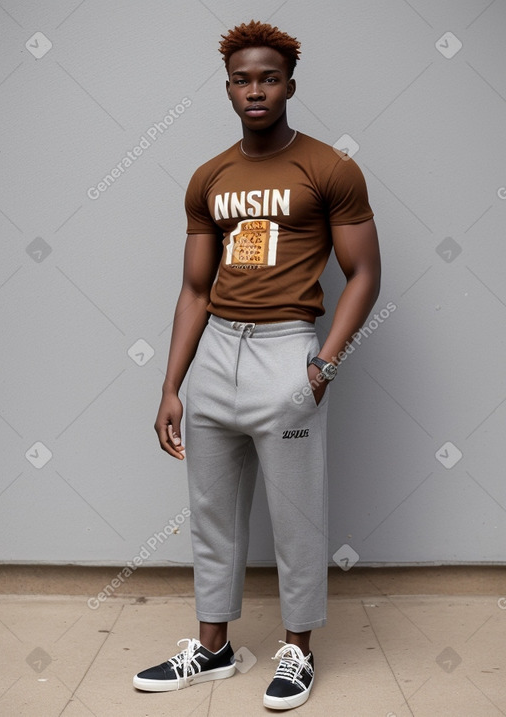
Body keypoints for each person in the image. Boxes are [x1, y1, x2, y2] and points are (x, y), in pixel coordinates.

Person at [133, 19, 381, 710]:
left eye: (268, 78)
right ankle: (213, 645)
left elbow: (364, 273)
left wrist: (324, 363)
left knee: (297, 513)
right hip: (215, 351)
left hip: (285, 348)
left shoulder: (329, 167)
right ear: (228, 88)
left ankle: (298, 650)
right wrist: (171, 384)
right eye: (243, 79)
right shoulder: (210, 176)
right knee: (210, 509)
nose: (255, 90)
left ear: (290, 84)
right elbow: (192, 287)